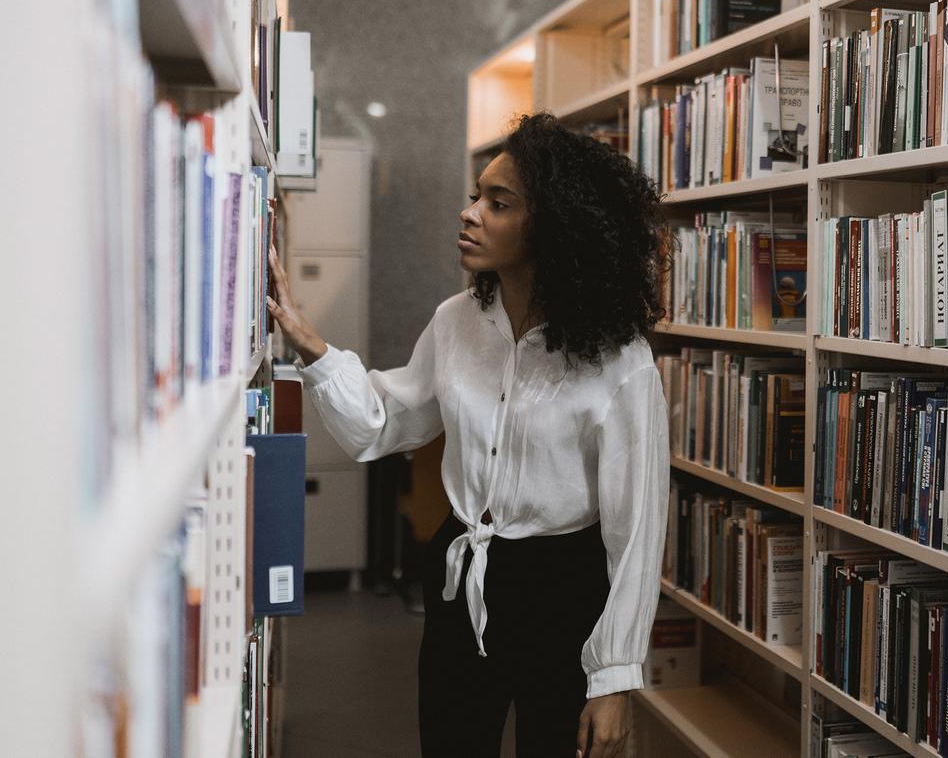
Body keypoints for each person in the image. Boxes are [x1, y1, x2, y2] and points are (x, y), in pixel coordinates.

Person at [266, 112, 670, 758]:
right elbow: (385, 422)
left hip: (563, 592)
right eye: (476, 195)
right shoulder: (456, 322)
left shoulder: (621, 360)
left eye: (497, 203)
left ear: (552, 226)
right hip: (460, 575)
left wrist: (615, 676)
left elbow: (637, 530)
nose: (469, 213)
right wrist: (309, 343)